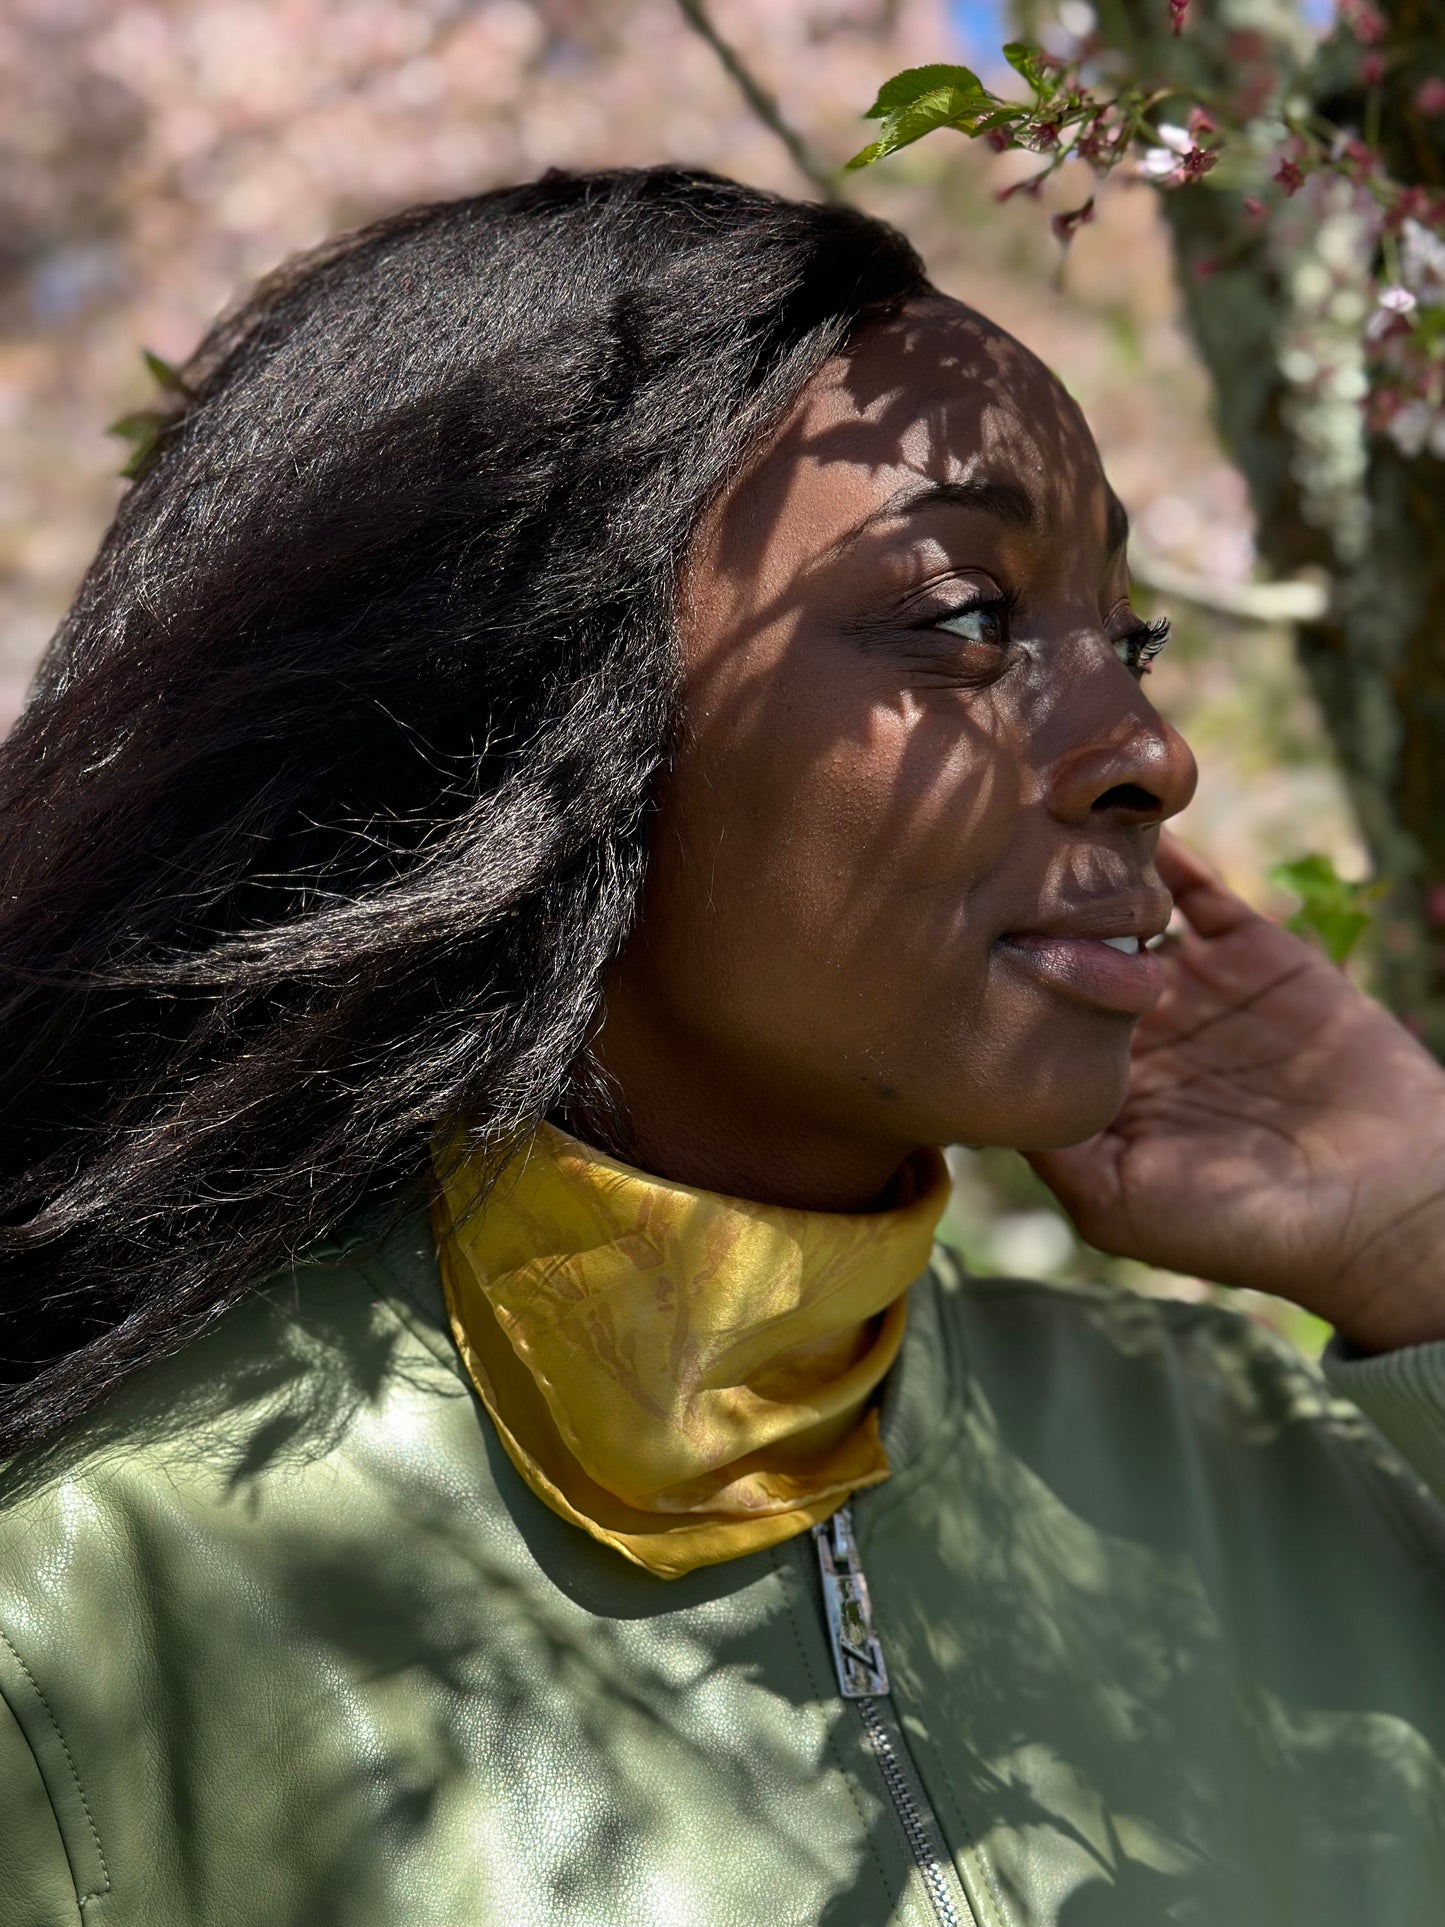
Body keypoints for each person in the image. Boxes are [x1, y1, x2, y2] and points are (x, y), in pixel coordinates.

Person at [1, 166, 1443, 1927]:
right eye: (968, 618)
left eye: (1123, 633)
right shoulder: (92, 1617)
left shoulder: (1264, 1468)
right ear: (539, 688)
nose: (1148, 746)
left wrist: (1418, 1237)